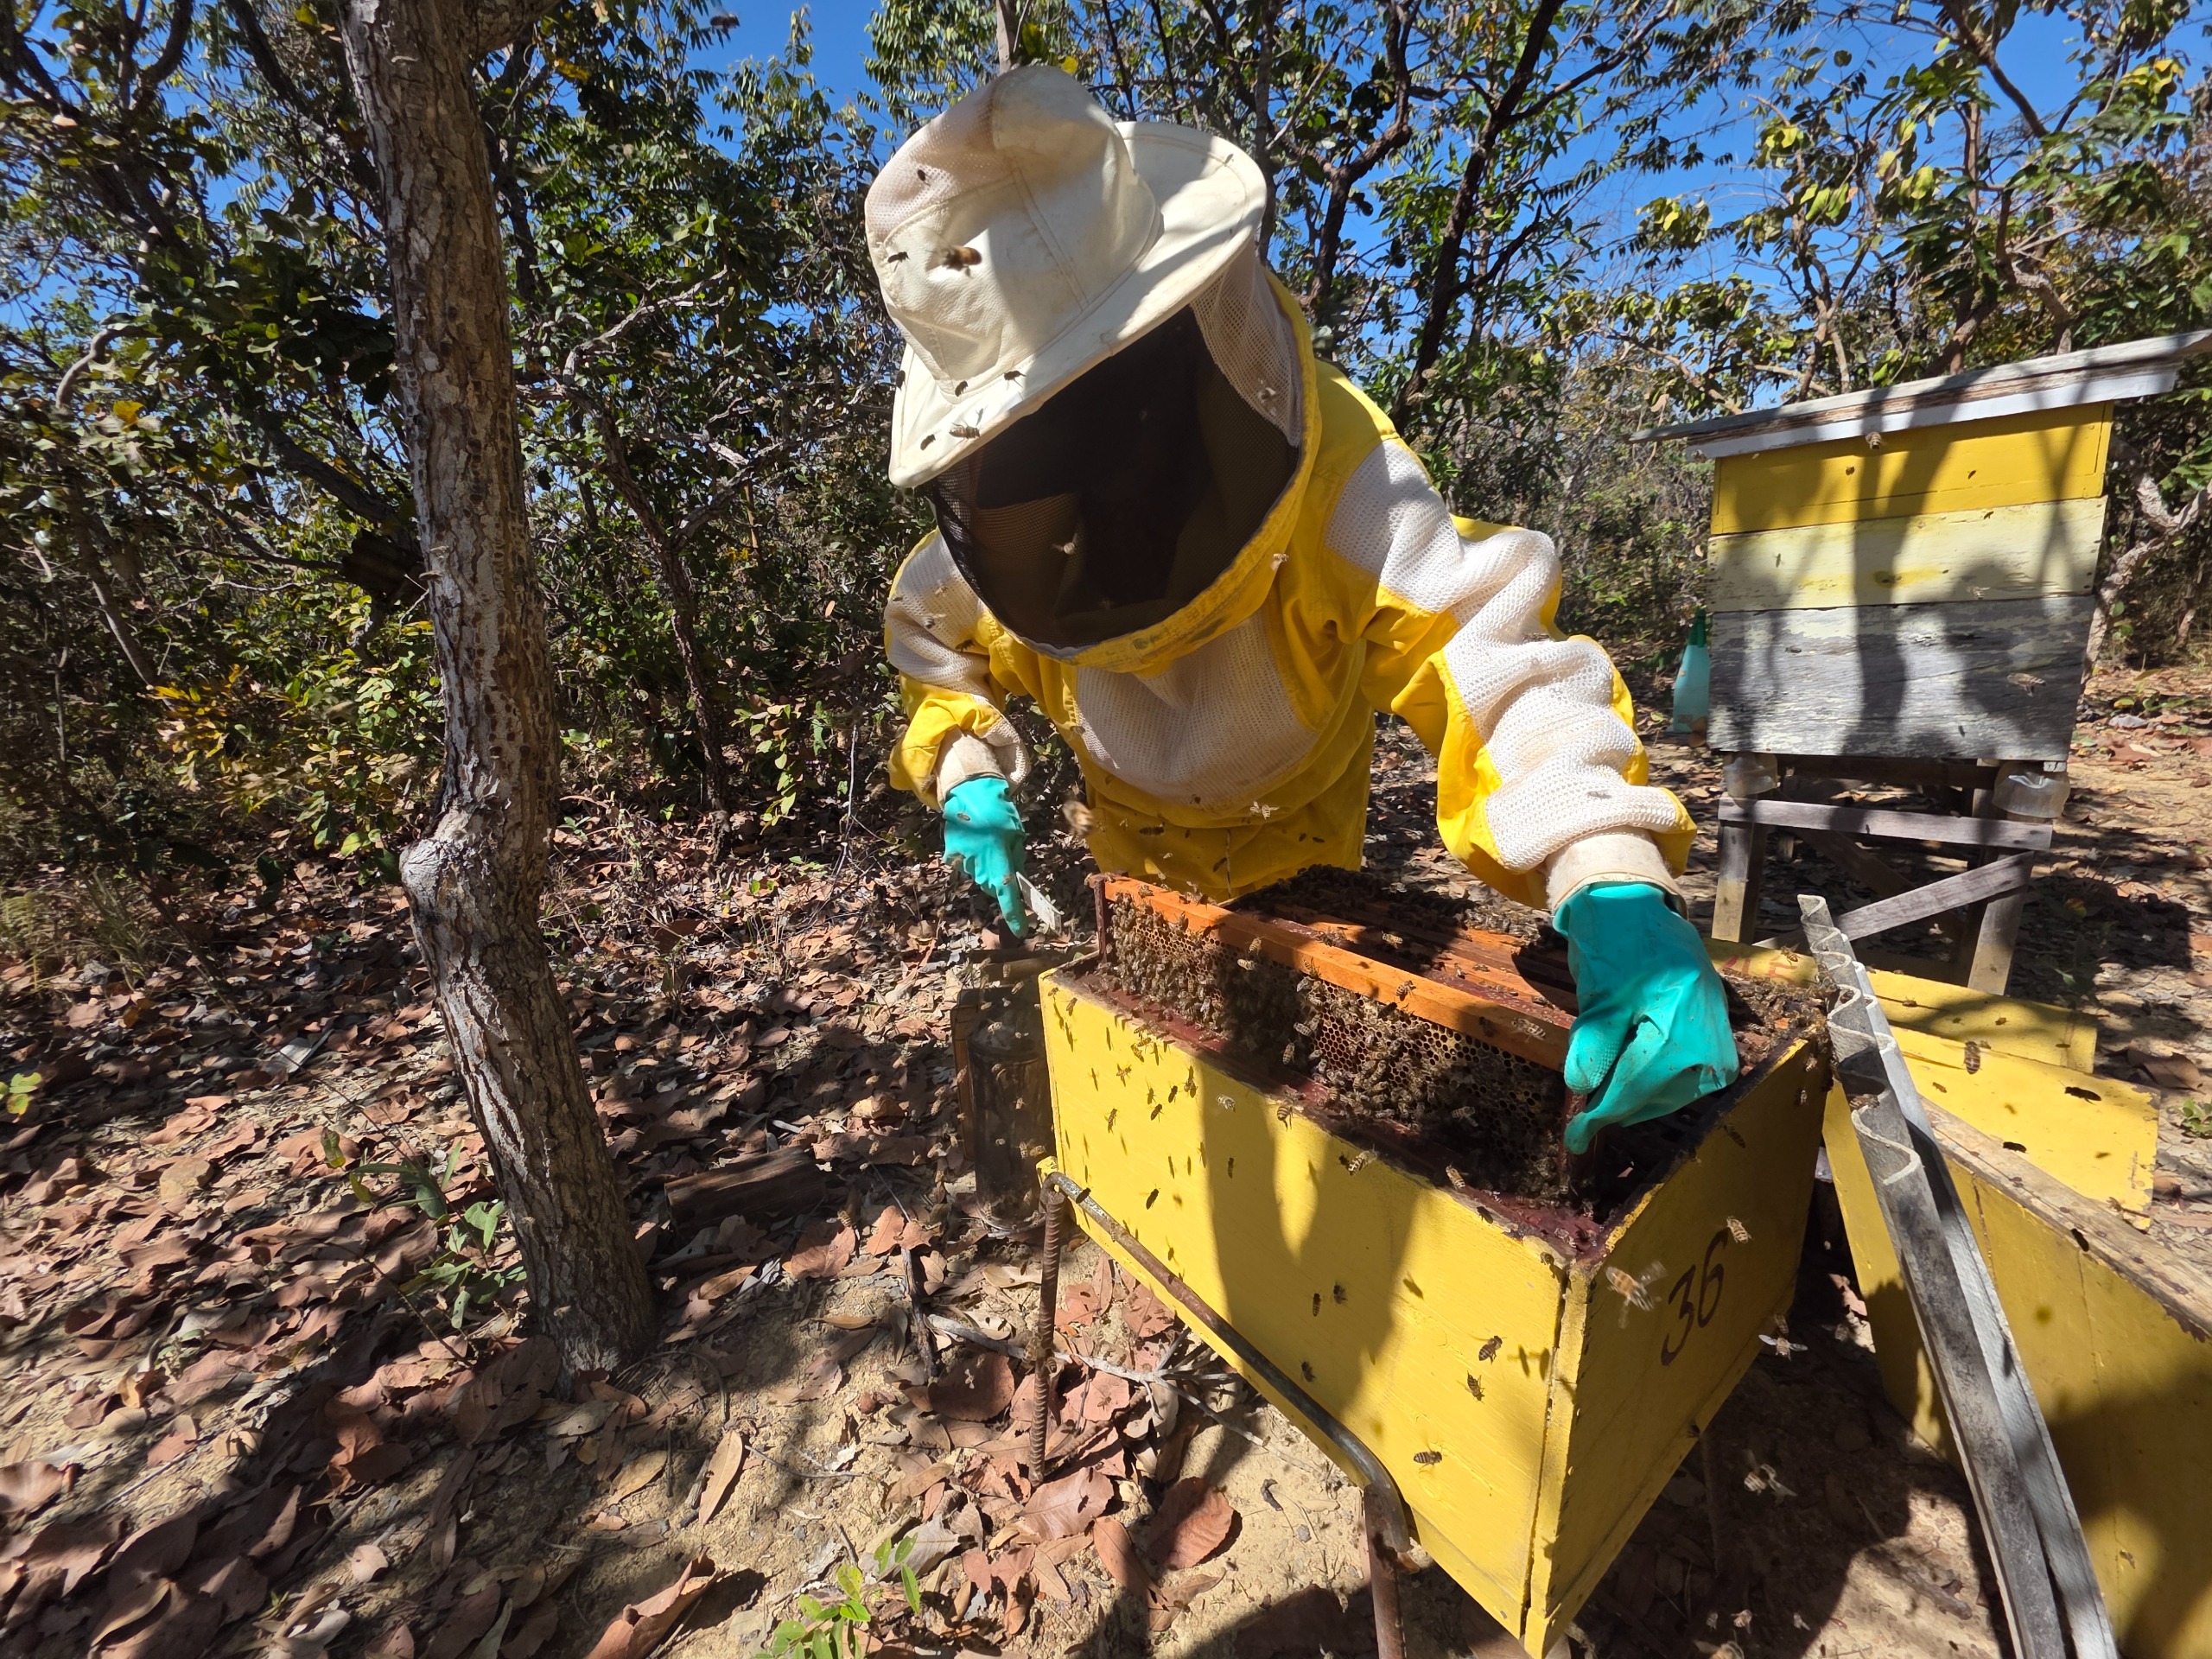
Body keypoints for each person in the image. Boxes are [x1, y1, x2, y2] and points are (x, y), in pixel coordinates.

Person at [868, 66, 1735, 1152]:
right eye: (1044, 437)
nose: (1094, 467)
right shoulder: (988, 543)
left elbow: (1489, 657)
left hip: (1306, 838)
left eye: (1111, 404)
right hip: (1135, 850)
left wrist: (1607, 875)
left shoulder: (1353, 492)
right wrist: (968, 778)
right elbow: (936, 644)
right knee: (1165, 1067)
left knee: (1306, 1077)